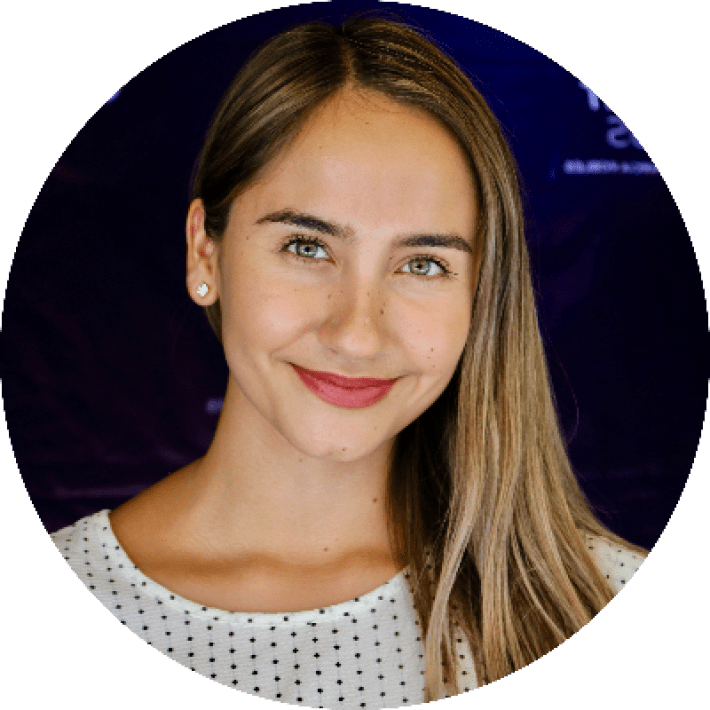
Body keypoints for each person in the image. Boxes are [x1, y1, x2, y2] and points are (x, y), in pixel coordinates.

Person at [50, 16, 646, 708]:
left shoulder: (610, 604)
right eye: (306, 247)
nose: (357, 335)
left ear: (480, 293)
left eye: (423, 264)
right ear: (204, 253)